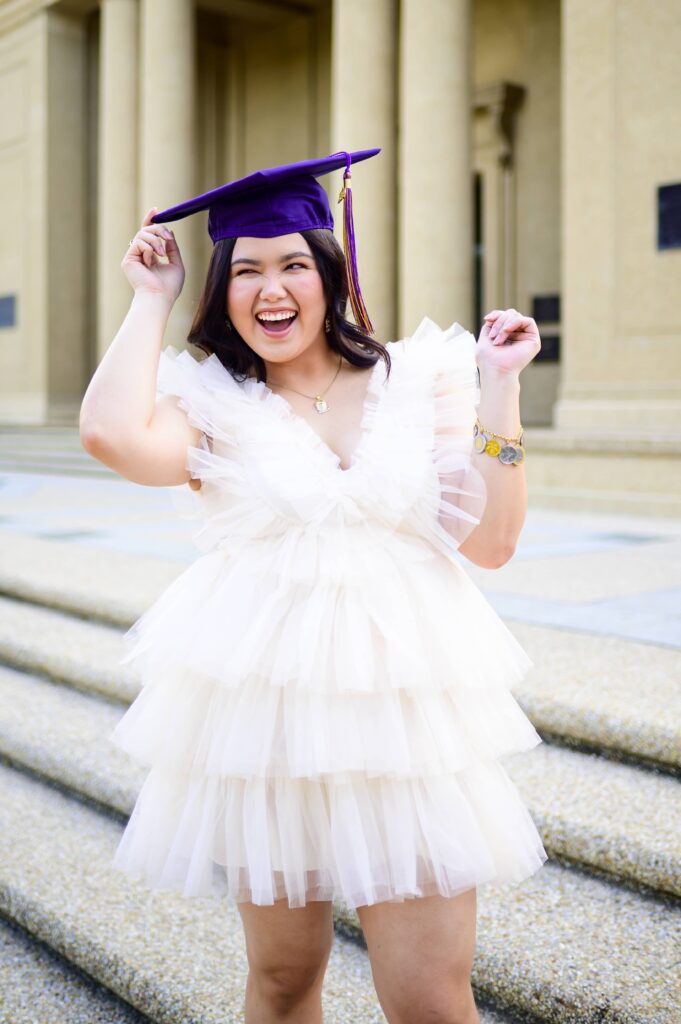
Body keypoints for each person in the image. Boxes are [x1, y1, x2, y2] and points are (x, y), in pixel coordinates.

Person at [79, 149, 547, 1024]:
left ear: (330, 274)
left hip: (406, 730)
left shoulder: (417, 383)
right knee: (284, 982)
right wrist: (151, 299)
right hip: (273, 731)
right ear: (221, 293)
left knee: (429, 998)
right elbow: (108, 434)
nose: (271, 287)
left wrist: (499, 391)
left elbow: (491, 542)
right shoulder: (211, 406)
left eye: (294, 262)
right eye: (245, 270)